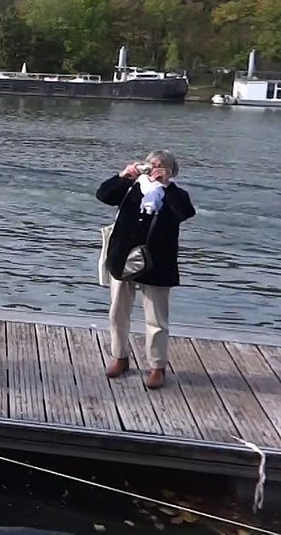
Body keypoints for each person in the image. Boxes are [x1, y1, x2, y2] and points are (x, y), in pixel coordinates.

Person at [96, 149, 196, 390]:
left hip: (158, 263)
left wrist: (166, 185)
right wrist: (123, 176)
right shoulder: (131, 187)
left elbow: (185, 212)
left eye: (161, 166)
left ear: (171, 171)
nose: (154, 168)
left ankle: (157, 366)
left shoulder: (175, 195)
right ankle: (120, 357)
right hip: (123, 258)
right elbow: (103, 195)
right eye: (151, 164)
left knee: (156, 319)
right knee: (118, 311)